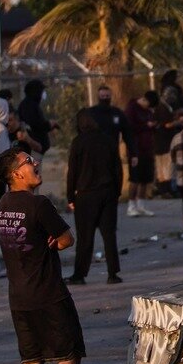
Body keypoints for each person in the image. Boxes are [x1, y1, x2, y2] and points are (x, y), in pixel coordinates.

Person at [0, 147, 106, 364]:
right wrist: (56, 240)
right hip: (48, 293)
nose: (36, 163)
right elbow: (67, 238)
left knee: (31, 359)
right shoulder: (38, 204)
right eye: (28, 161)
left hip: (19, 296)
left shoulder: (3, 204)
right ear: (16, 173)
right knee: (68, 356)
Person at [65, 108, 122, 285]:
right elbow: (117, 168)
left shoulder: (78, 142)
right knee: (109, 235)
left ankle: (79, 274)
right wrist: (117, 192)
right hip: (107, 192)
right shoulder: (108, 140)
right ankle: (113, 273)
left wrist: (70, 197)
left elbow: (72, 172)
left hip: (85, 196)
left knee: (85, 237)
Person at [124, 91, 157, 217]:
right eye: (148, 105)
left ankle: (141, 205)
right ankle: (131, 206)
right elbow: (129, 128)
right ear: (145, 100)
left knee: (145, 179)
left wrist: (152, 126)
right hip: (135, 150)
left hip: (147, 149)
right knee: (135, 178)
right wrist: (145, 125)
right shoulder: (131, 109)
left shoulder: (148, 111)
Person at [16, 79, 57, 154]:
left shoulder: (30, 104)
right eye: (41, 91)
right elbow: (36, 125)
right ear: (36, 91)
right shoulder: (29, 106)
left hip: (35, 148)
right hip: (33, 149)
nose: (42, 94)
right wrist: (49, 124)